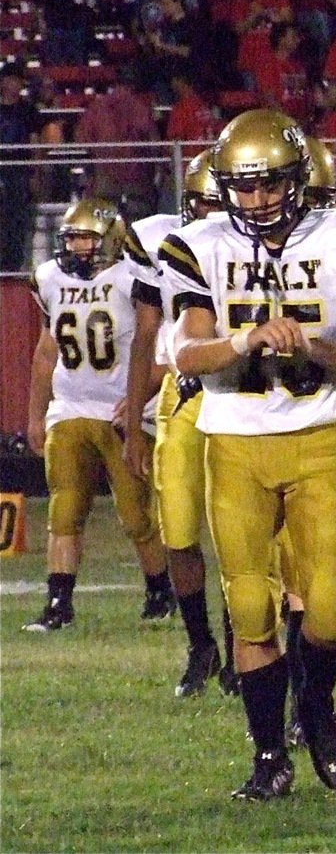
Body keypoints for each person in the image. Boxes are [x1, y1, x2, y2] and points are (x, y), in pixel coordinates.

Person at [165, 108, 336, 799]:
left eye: (271, 185)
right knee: (248, 604)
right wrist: (242, 343)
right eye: (245, 186)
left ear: (299, 180)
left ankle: (318, 706)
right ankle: (269, 755)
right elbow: (185, 350)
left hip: (323, 437)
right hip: (235, 441)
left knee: (330, 608)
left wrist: (317, 347)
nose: (259, 199)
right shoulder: (199, 244)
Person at [24, 199, 174, 633]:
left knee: (137, 516)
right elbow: (46, 350)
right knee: (65, 507)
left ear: (110, 239)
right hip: (69, 408)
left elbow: (160, 347)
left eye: (86, 237)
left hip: (125, 412)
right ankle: (58, 603)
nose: (76, 247)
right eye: (71, 237)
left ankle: (159, 591)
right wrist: (36, 414)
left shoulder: (135, 278)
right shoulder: (50, 278)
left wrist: (143, 392)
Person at [122, 149, 238, 697]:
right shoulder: (163, 243)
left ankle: (244, 645)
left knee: (246, 530)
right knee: (179, 527)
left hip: (243, 393)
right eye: (205, 203)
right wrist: (131, 426)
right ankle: (201, 644)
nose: (215, 215)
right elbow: (147, 333)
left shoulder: (267, 243)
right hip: (186, 395)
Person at [74, 66, 161, 222]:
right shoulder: (140, 106)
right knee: (136, 227)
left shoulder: (97, 106)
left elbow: (82, 140)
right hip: (136, 178)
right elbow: (153, 142)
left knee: (106, 225)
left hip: (104, 178)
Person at [0, 63, 39, 277]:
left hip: (18, 172)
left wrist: (34, 171)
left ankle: (12, 267)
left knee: (16, 221)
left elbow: (35, 142)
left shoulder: (27, 110)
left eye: (18, 80)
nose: (15, 84)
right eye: (11, 79)